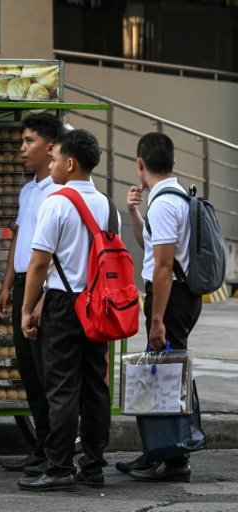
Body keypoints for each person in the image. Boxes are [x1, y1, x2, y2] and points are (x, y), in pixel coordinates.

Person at [18, 129, 114, 491]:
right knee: (94, 386)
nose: (52, 164)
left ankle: (58, 467)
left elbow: (39, 263)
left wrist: (28, 308)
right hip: (97, 304)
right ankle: (92, 465)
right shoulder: (106, 203)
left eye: (56, 158)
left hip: (63, 304)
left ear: (70, 163)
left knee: (60, 387)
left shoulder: (57, 202)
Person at [115, 132, 202, 483]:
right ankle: (164, 453)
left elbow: (163, 268)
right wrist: (134, 211)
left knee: (163, 376)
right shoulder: (173, 196)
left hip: (171, 298)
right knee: (169, 374)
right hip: (180, 296)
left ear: (140, 164)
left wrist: (156, 321)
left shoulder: (165, 204)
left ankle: (172, 457)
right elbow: (150, 245)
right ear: (173, 163)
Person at [0, 112, 64, 473]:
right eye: (21, 141)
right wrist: (8, 285)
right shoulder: (27, 190)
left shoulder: (58, 191)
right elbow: (19, 240)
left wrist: (37, 300)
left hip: (46, 291)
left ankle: (55, 452)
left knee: (48, 373)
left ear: (50, 147)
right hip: (24, 285)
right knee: (30, 376)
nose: (21, 149)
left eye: (29, 141)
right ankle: (41, 447)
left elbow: (53, 254)